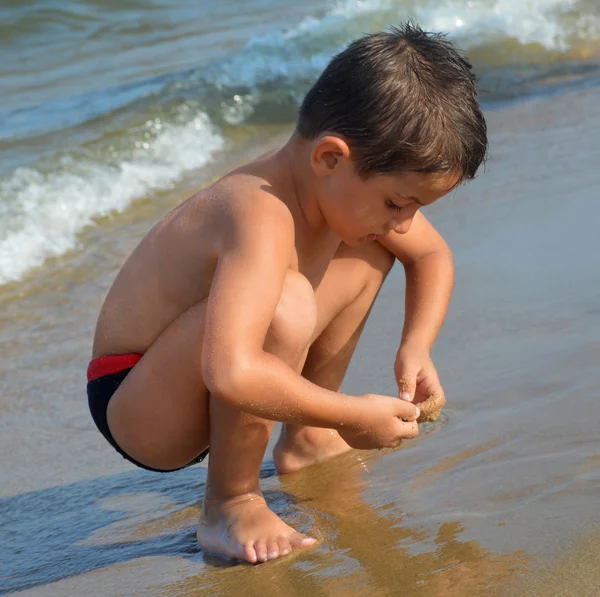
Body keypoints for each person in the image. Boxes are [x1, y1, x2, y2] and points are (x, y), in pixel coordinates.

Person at [87, 23, 488, 565]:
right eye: (398, 203)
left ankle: (305, 440)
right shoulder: (260, 211)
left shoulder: (339, 193)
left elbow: (432, 255)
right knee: (286, 303)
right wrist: (349, 413)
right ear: (330, 158)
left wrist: (415, 347)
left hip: (218, 367)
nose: (404, 221)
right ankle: (231, 501)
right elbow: (232, 371)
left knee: (372, 247)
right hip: (141, 402)